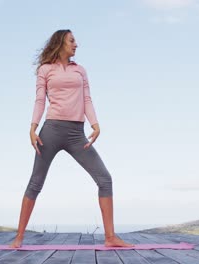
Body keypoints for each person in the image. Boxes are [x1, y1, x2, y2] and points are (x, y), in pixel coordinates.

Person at [9, 29, 134, 248]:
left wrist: (95, 124)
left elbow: (87, 99)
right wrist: (33, 128)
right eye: (72, 41)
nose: (76, 44)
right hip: (51, 131)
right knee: (35, 183)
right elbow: (40, 100)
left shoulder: (81, 71)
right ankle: (18, 238)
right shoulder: (45, 70)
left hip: (77, 134)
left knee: (104, 179)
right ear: (61, 43)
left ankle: (110, 237)